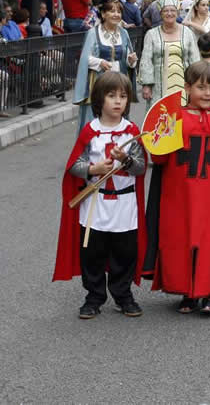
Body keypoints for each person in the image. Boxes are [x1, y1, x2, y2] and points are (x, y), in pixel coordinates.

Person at [142, 61, 210, 315]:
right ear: (187, 88)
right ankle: (186, 293)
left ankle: (209, 292)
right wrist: (161, 134)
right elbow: (159, 158)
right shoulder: (174, 117)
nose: (207, 93)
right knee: (179, 240)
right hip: (177, 195)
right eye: (201, 87)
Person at [52, 72, 148, 319]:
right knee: (92, 252)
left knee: (124, 252)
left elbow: (139, 167)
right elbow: (74, 164)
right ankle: (94, 296)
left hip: (125, 204)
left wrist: (124, 159)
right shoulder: (90, 131)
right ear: (99, 99)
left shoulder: (132, 131)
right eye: (112, 95)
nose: (118, 101)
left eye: (123, 96)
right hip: (96, 203)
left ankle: (123, 295)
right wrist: (94, 169)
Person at [73, 0, 138, 131]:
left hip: (119, 81)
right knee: (98, 116)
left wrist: (131, 61)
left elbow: (127, 58)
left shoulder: (124, 33)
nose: (116, 15)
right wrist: (100, 62)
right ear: (103, 14)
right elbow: (85, 58)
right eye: (112, 11)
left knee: (118, 113)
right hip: (99, 82)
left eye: (119, 12)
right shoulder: (93, 33)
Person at [139, 0, 199, 111]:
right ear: (160, 14)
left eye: (173, 10)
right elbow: (146, 60)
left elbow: (194, 59)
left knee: (182, 116)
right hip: (158, 83)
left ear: (177, 13)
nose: (169, 14)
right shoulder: (151, 34)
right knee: (160, 116)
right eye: (166, 11)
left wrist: (196, 82)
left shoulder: (187, 32)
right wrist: (146, 85)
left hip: (183, 82)